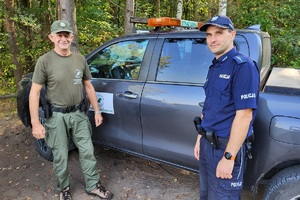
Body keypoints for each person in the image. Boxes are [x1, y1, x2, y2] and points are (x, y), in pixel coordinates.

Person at [29, 20, 113, 200]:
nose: (63, 38)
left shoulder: (79, 59)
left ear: (72, 37)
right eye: (59, 35)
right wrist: (36, 123)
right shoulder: (45, 61)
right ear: (51, 37)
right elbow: (34, 93)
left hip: (79, 114)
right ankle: (64, 189)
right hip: (56, 116)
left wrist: (97, 111)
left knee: (87, 151)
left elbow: (88, 86)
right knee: (60, 155)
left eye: (66, 35)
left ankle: (93, 185)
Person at [194, 15, 260, 199]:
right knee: (206, 195)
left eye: (219, 33)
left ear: (232, 34)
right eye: (208, 35)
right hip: (208, 145)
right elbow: (209, 106)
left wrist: (229, 157)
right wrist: (200, 137)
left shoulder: (242, 66)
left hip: (226, 147)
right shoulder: (215, 66)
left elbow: (245, 116)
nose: (212, 39)